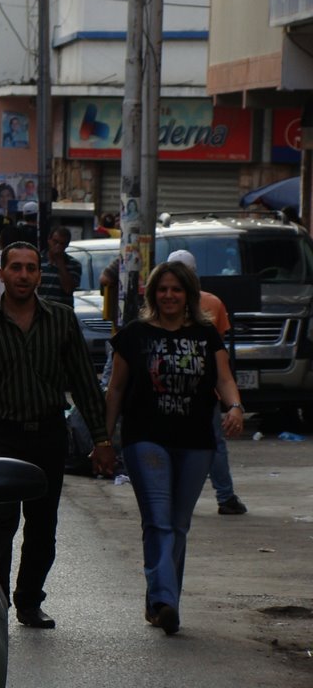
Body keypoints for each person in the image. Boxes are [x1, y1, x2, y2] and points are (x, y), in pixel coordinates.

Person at [0, 241, 114, 629]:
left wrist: (102, 439)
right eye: (16, 268)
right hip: (1, 437)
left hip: (47, 434)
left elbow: (83, 382)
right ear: (2, 274)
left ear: (38, 276)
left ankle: (29, 601)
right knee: (1, 524)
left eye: (31, 269)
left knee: (43, 526)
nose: (24, 275)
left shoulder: (61, 320)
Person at [105, 260, 244, 635]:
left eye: (176, 289)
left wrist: (234, 407)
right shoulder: (134, 334)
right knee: (159, 521)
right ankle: (167, 600)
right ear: (152, 294)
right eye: (162, 289)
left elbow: (225, 378)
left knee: (178, 525)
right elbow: (115, 389)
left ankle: (161, 603)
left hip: (196, 441)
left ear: (189, 295)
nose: (169, 295)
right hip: (145, 438)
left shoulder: (205, 334)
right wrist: (105, 439)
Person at [165, 250, 247, 516]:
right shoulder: (212, 304)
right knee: (213, 443)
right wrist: (233, 403)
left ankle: (172, 495)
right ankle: (225, 496)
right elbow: (219, 354)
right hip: (204, 390)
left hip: (175, 391)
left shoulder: (163, 305)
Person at [37, 226, 81, 309]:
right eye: (55, 242)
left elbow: (68, 289)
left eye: (62, 244)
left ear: (67, 245)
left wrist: (60, 262)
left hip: (62, 314)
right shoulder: (37, 260)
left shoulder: (74, 264)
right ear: (49, 241)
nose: (58, 246)